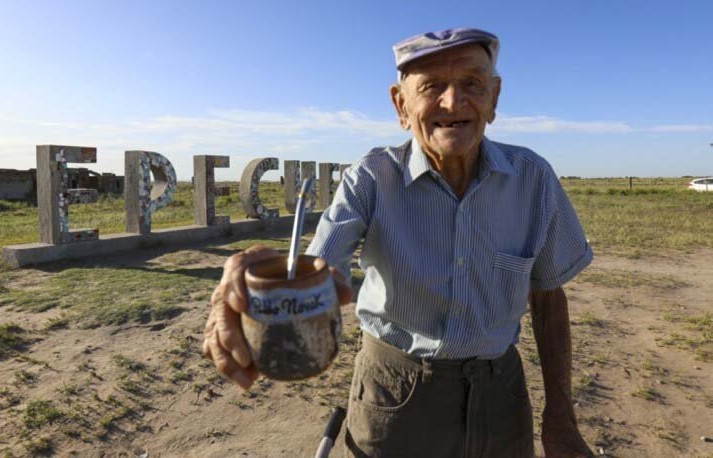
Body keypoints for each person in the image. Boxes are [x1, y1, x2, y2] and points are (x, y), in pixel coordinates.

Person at [203, 27, 595, 458]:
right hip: (395, 395)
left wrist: (560, 413)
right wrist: (263, 273)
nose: (453, 102)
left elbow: (548, 295)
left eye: (472, 84)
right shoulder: (372, 177)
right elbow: (318, 267)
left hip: (501, 396)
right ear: (401, 106)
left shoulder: (533, 178)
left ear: (494, 98)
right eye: (431, 87)